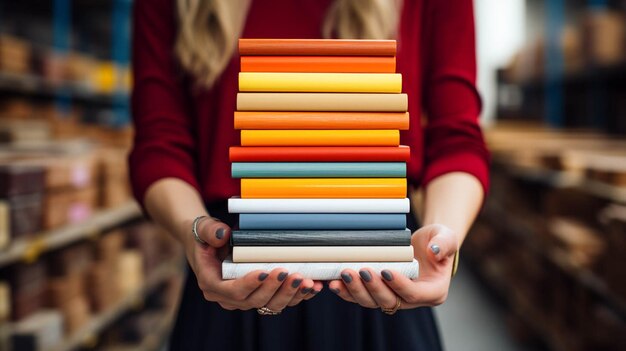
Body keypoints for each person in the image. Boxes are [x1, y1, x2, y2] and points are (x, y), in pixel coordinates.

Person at [129, 0, 490, 350]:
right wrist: (193, 230)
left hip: (382, 258)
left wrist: (440, 243)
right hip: (233, 265)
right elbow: (160, 144)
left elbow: (456, 138)